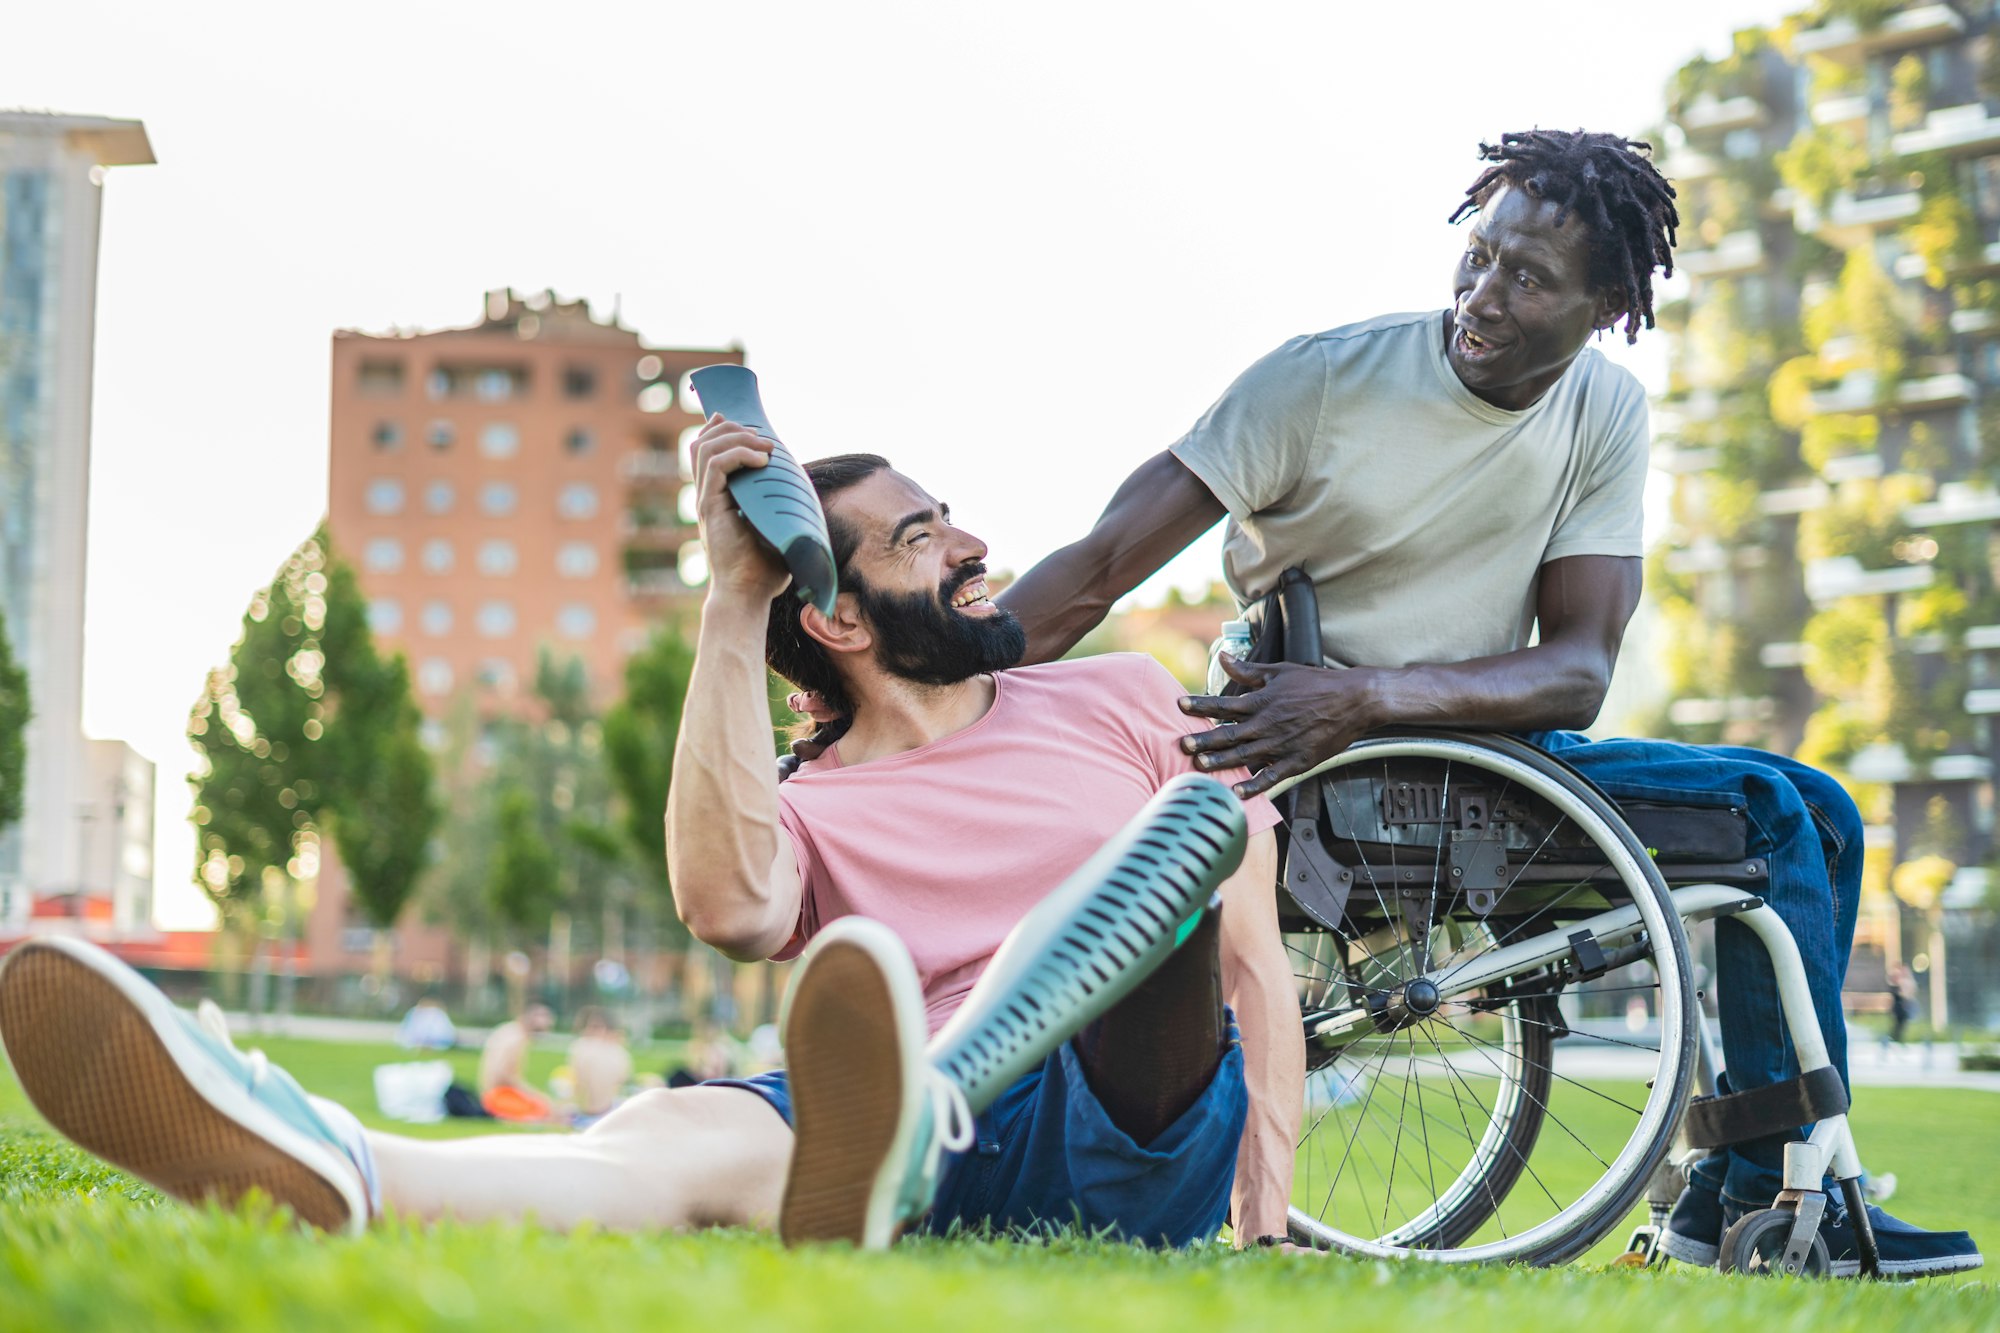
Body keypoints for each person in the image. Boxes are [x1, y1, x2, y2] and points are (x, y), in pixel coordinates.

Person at [970, 129, 1976, 1277]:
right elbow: (1100, 565)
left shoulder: (1601, 410)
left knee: (1825, 807)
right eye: (1478, 256)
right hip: (1333, 780)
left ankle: (1736, 1190)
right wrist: (941, 669)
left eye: (1527, 278)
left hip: (1475, 752)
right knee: (1766, 811)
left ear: (1606, 305)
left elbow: (1576, 668)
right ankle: (1772, 1196)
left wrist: (1364, 696)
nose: (1481, 297)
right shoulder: (1321, 379)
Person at [0, 436, 1294, 1250]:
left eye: (948, 519)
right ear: (838, 619)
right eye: (924, 536)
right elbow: (731, 909)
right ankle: (332, 1153)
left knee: (1183, 835)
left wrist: (1268, 1206)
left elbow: (1254, 965)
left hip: (1125, 1106)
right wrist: (732, 597)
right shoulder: (804, 802)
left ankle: (935, 1097)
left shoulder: (1126, 696)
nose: (976, 547)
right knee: (673, 1129)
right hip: (897, 1125)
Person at [477, 1003, 556, 1122]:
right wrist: (536, 1095)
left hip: (491, 1094)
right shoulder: (517, 1038)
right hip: (497, 1097)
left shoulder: (510, 1030)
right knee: (544, 1110)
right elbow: (504, 1075)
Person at [567, 1007, 633, 1120]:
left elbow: (622, 1079)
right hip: (593, 1110)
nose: (593, 1032)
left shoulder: (616, 1052)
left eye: (597, 1027)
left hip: (605, 1108)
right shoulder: (583, 1048)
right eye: (591, 1027)